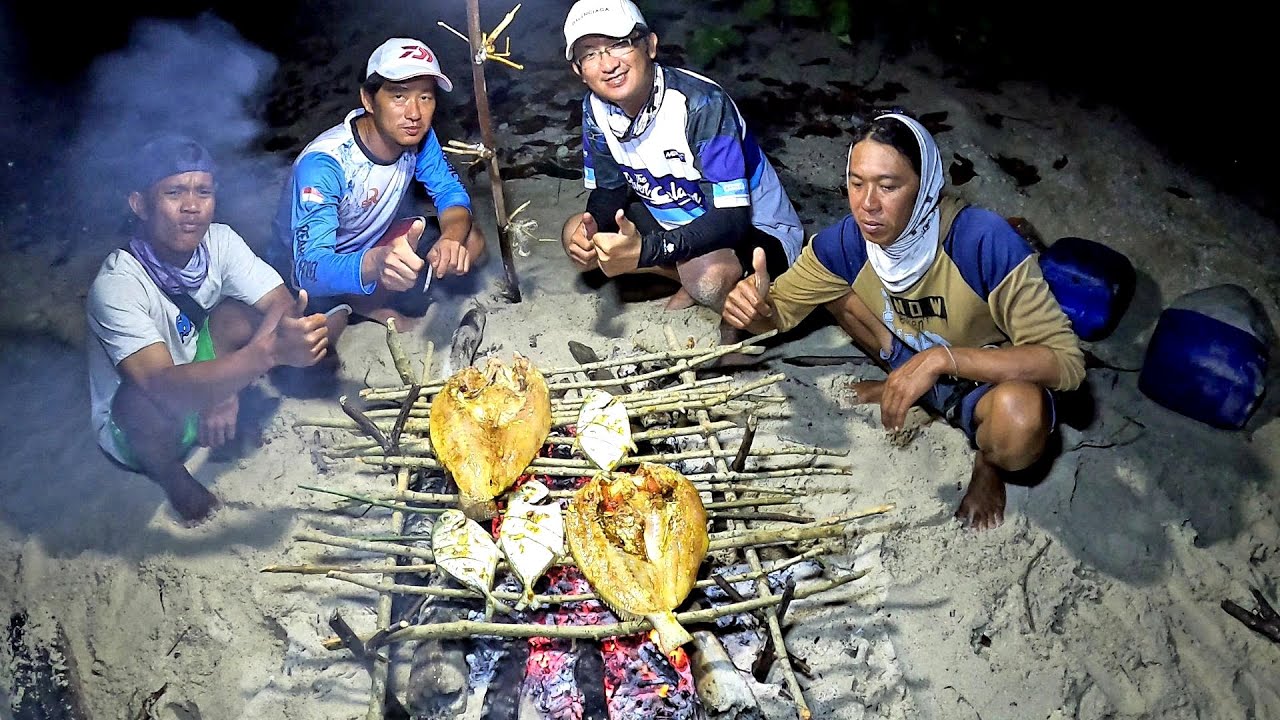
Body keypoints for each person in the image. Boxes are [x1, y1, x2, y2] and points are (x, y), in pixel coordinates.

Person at [722, 112, 1085, 531]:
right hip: (900, 351)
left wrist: (941, 361)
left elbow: (1067, 363)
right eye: (856, 184)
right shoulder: (848, 239)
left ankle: (987, 465)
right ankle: (908, 386)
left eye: (888, 186)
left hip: (982, 379)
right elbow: (779, 313)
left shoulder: (979, 239)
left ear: (926, 186)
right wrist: (753, 309)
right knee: (832, 281)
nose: (867, 204)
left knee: (1020, 419)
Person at [87, 135, 331, 525]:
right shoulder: (117, 284)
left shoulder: (219, 242)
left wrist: (225, 392)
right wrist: (264, 356)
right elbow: (160, 384)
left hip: (198, 375)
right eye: (174, 192)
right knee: (139, 402)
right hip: (141, 418)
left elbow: (281, 302)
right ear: (140, 204)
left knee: (240, 316)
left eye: (203, 191)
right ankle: (171, 475)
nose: (192, 207)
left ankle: (221, 409)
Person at [559, 0, 804, 340]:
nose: (608, 63)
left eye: (620, 43)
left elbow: (732, 218)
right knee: (574, 231)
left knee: (707, 275)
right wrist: (591, 231)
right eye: (590, 54)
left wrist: (645, 252)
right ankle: (684, 277)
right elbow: (610, 188)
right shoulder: (596, 108)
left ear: (650, 45)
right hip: (674, 218)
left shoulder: (703, 104)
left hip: (756, 229)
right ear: (579, 70)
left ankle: (728, 311)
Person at [271, 36, 486, 344]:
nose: (414, 113)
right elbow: (308, 267)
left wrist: (450, 240)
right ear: (369, 100)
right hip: (315, 267)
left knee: (471, 240)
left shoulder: (418, 137)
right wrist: (375, 263)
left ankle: (376, 297)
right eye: (399, 97)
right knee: (318, 342)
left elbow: (450, 193)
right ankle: (363, 303)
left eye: (426, 97)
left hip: (375, 242)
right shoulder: (325, 164)